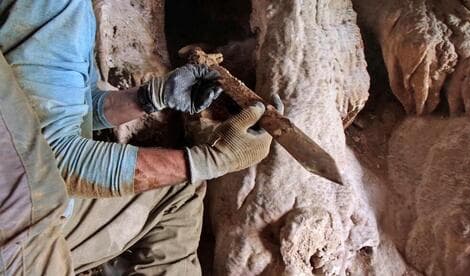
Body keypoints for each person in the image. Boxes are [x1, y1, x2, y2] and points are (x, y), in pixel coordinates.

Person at [0, 0, 281, 275]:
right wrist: (210, 160)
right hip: (21, 228)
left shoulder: (68, 10)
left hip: (39, 205)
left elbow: (72, 109)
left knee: (175, 195)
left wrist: (151, 96)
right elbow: (59, 164)